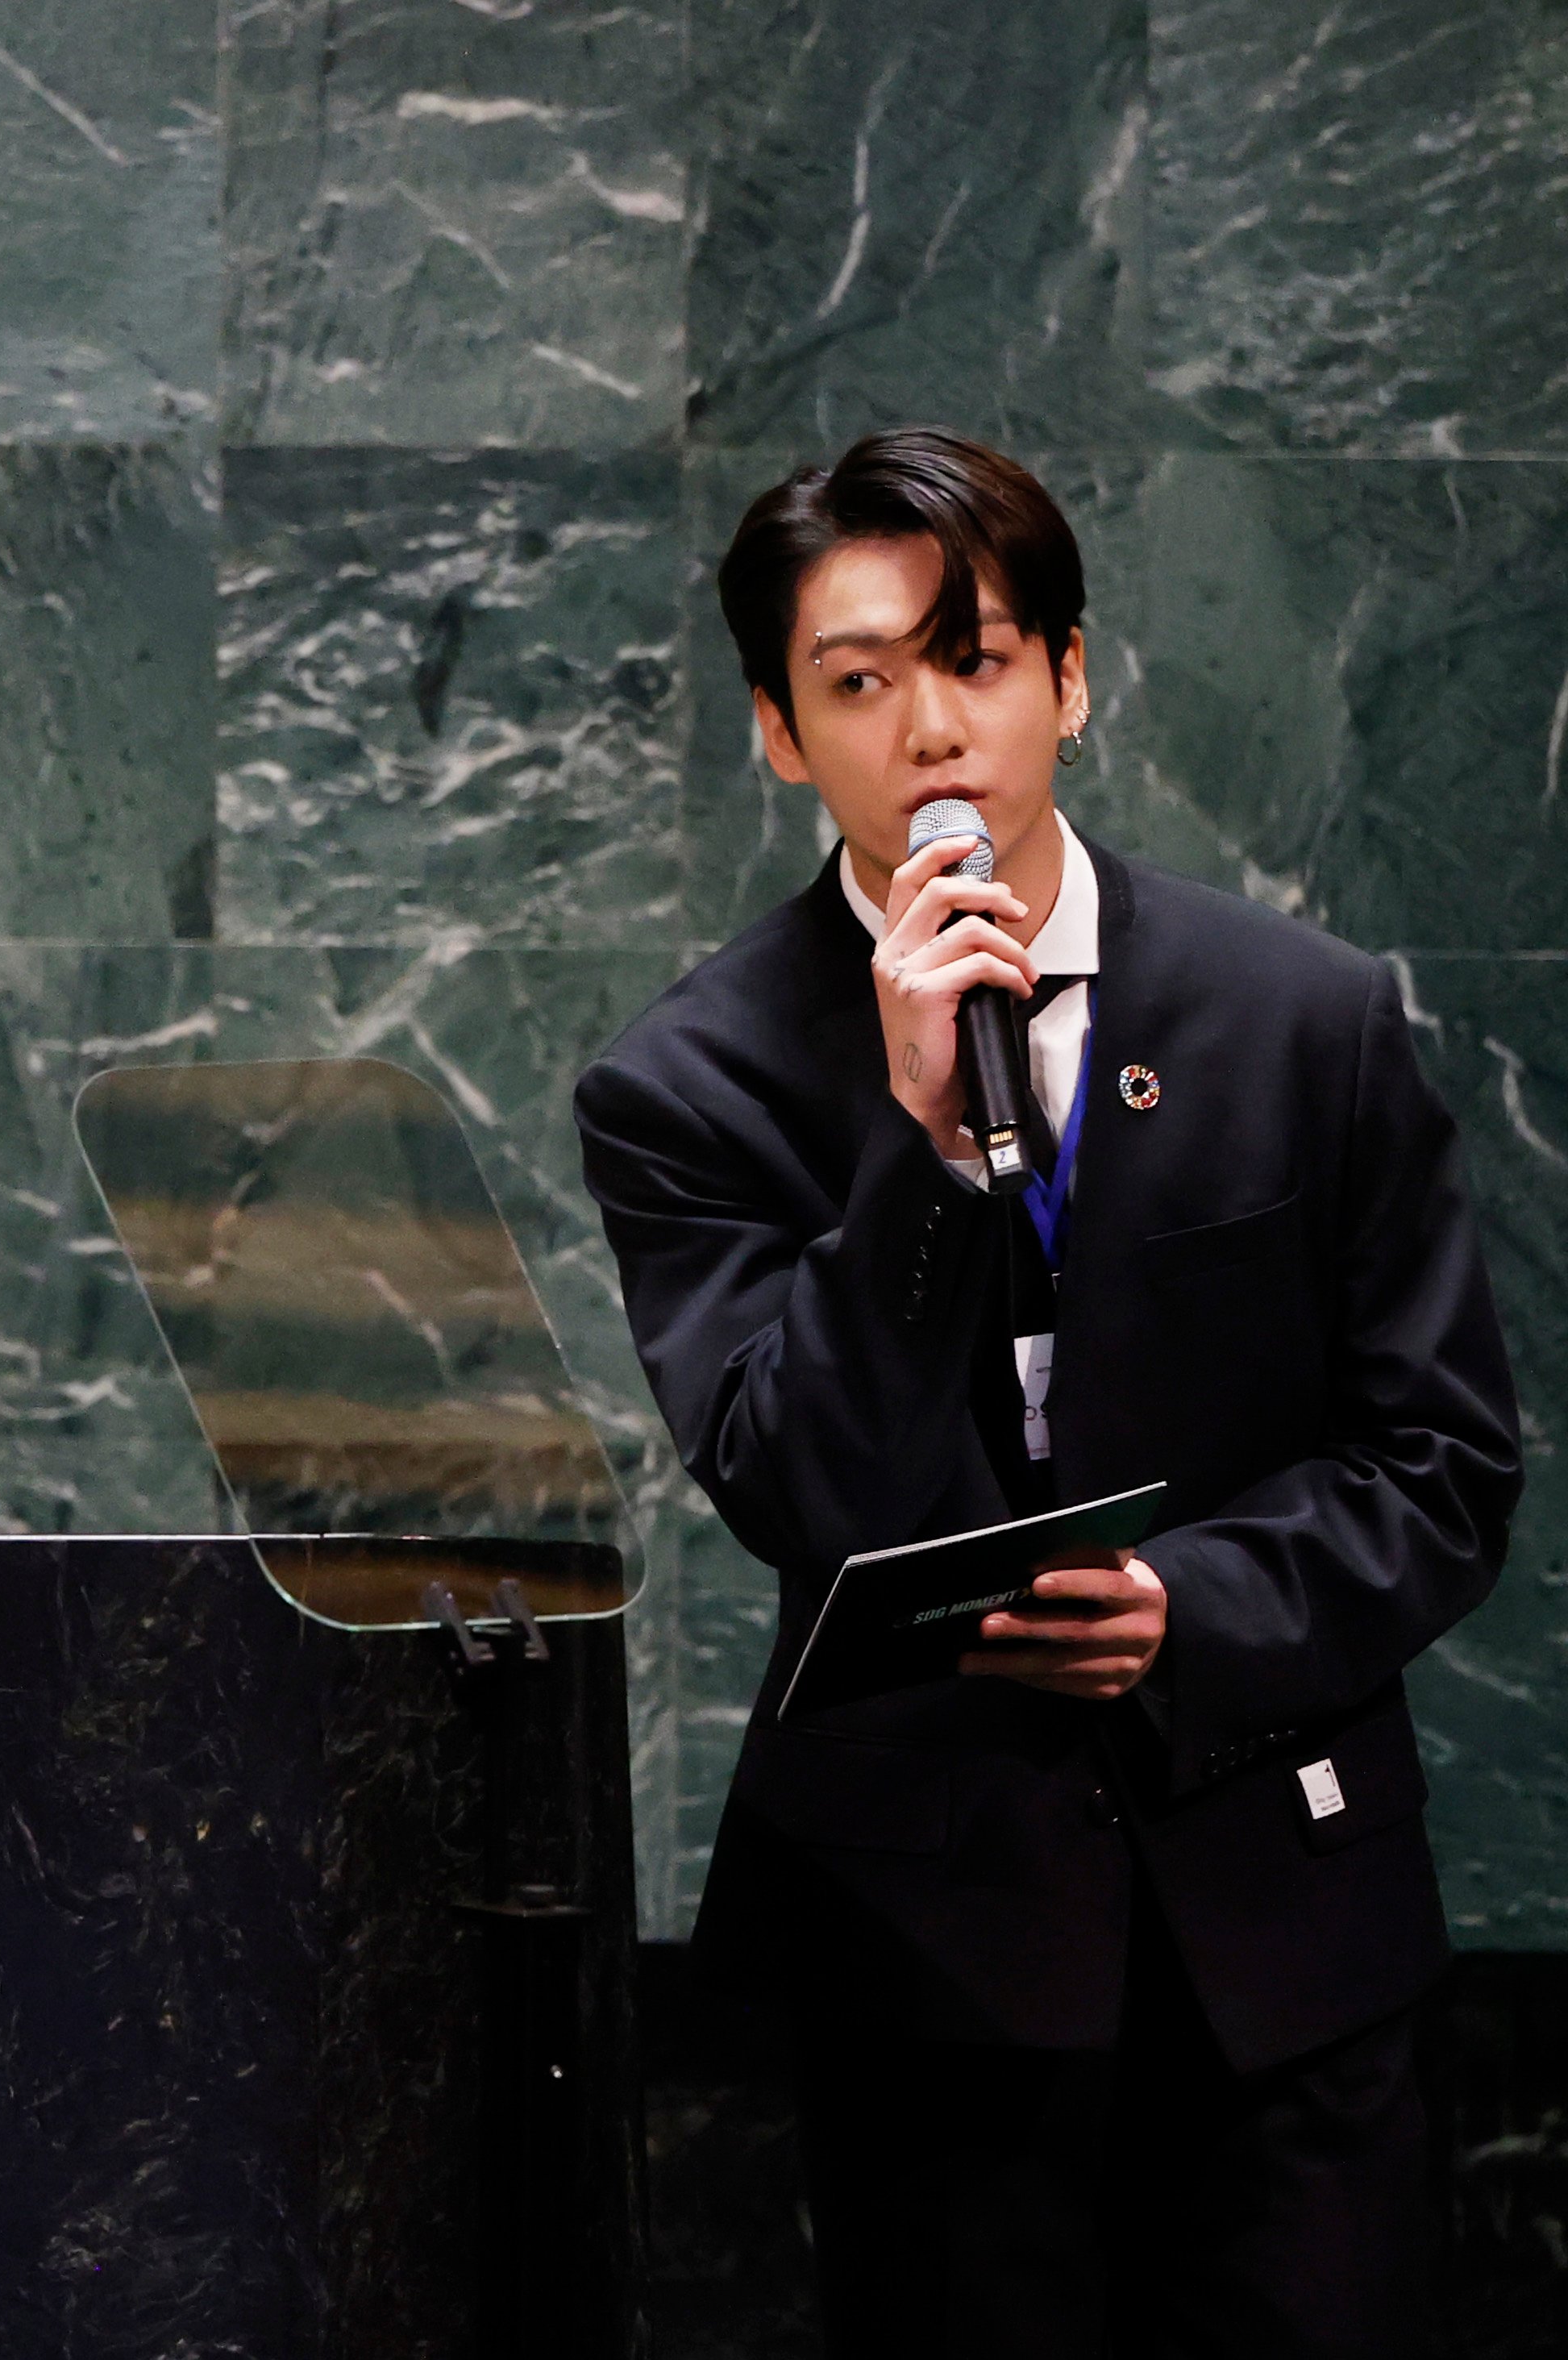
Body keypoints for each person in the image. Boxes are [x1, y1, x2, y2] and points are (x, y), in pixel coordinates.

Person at [575, 429, 1518, 2356]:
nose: (927, 728)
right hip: (930, 1956)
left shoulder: (1300, 1018)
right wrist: (916, 1151)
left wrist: (1193, 1606)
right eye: (856, 682)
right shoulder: (686, 1084)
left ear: (1069, 683)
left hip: (1286, 1928)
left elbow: (1439, 1460)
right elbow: (781, 1474)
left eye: (978, 659)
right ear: (776, 732)